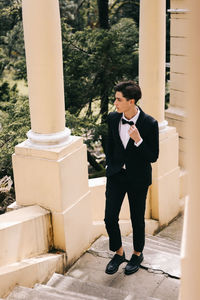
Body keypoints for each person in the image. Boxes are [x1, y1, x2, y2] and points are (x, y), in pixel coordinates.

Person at [104, 81, 159, 275]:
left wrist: (139, 140)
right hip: (116, 176)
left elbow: (153, 156)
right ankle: (118, 253)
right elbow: (109, 144)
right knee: (109, 218)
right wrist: (110, 164)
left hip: (138, 179)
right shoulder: (112, 118)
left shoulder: (150, 123)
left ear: (131, 101)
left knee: (137, 219)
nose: (115, 102)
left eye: (119, 99)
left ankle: (137, 254)